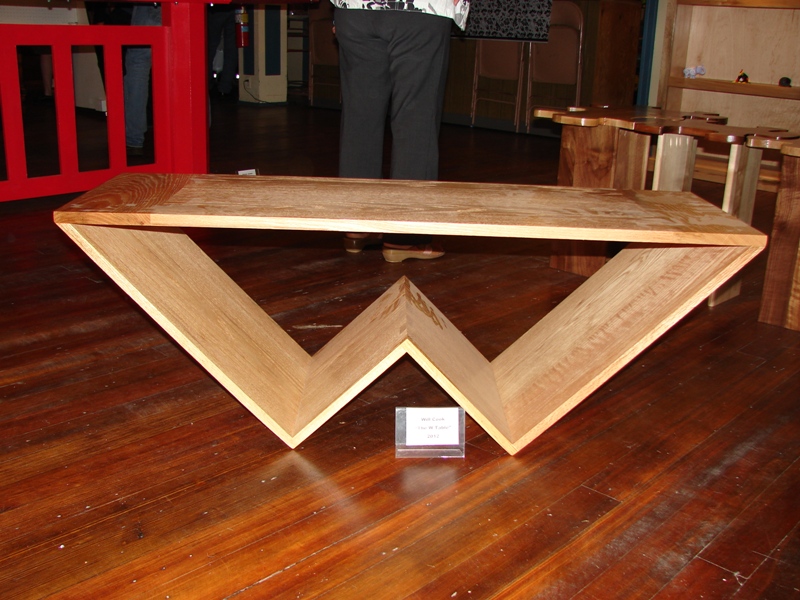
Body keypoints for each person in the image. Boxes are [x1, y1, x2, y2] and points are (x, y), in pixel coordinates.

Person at [331, 0, 470, 262]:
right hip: (420, 11)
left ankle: (357, 225)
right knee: (415, 117)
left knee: (360, 115)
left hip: (355, 10)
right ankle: (404, 236)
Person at [124, 3, 161, 156]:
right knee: (187, 62)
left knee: (138, 64)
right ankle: (199, 128)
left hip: (152, 6)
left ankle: (134, 137)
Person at [207, 4, 238, 99]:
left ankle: (207, 83)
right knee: (231, 48)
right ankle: (225, 87)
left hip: (216, 8)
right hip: (234, 6)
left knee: (210, 47)